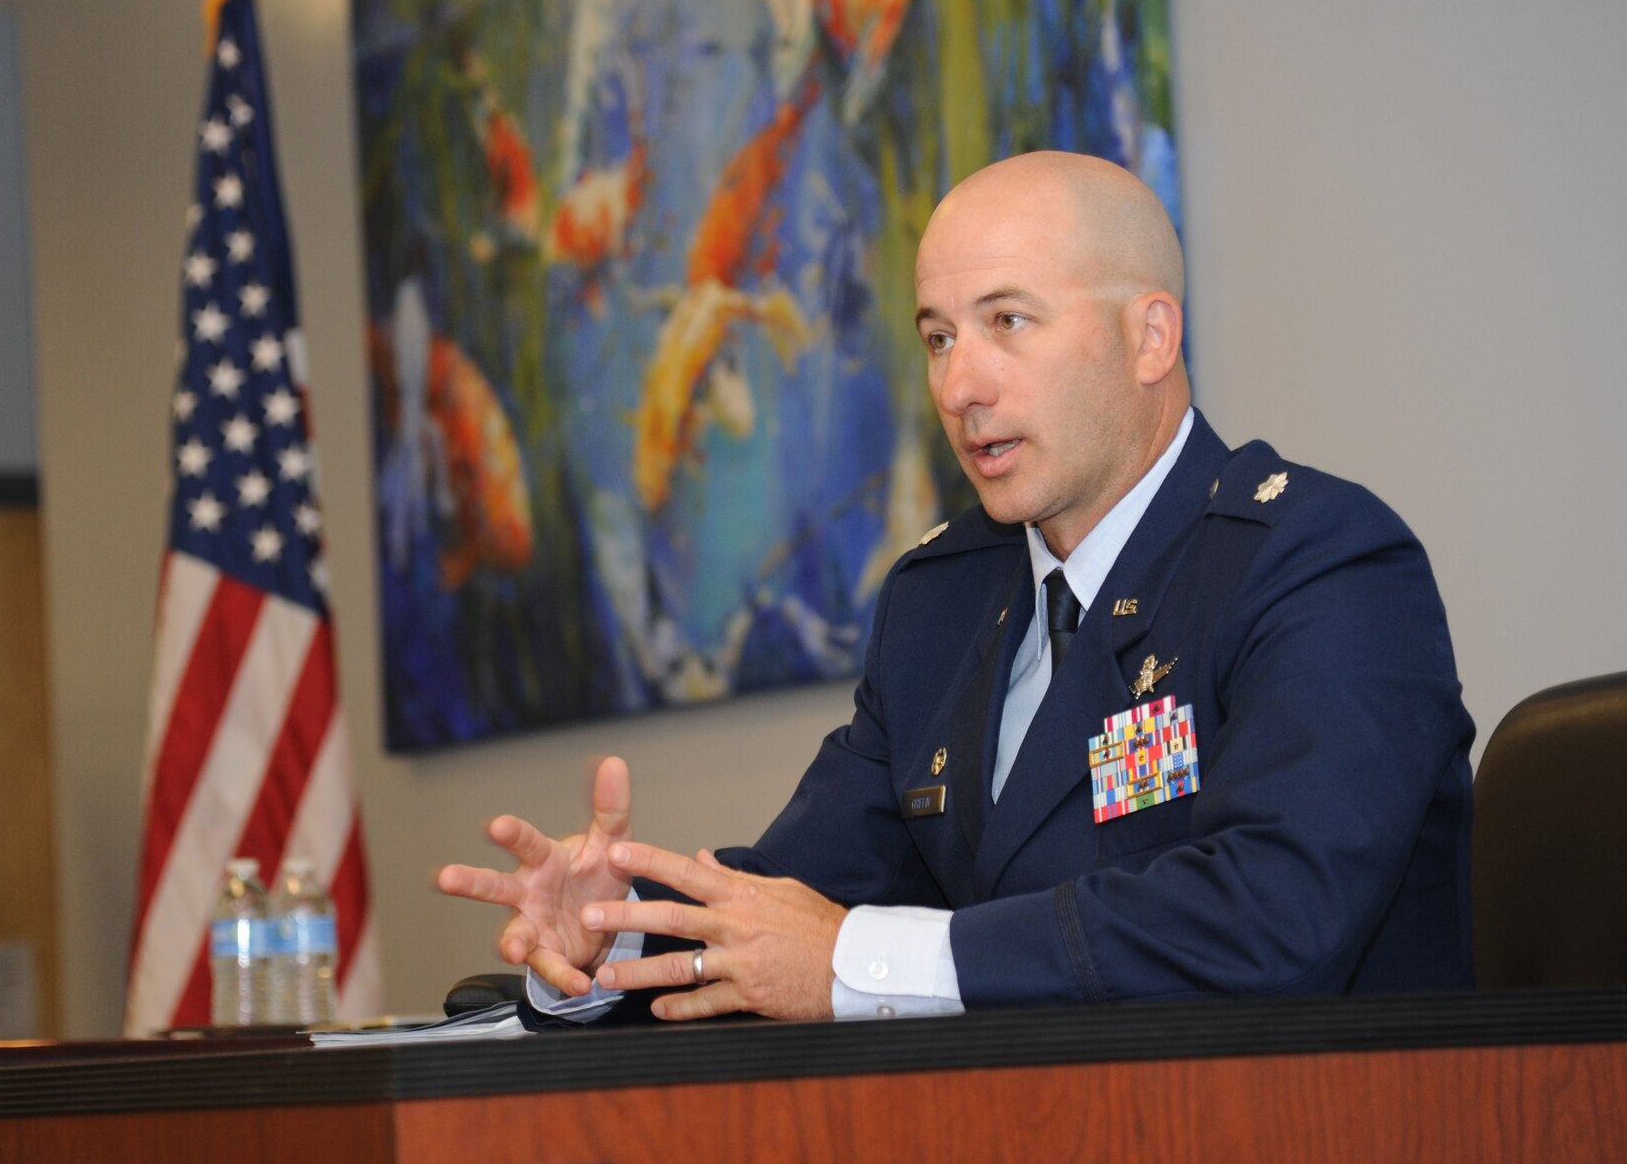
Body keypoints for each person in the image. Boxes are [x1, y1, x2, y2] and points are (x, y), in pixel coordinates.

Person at [437, 151, 1475, 1022]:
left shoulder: (1316, 562)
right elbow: (800, 895)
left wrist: (857, 961)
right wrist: (610, 928)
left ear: (1148, 338)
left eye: (1007, 323)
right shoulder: (939, 601)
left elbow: (1270, 919)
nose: (957, 386)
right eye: (937, 337)